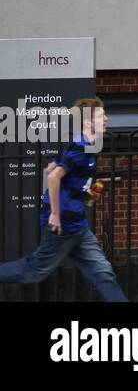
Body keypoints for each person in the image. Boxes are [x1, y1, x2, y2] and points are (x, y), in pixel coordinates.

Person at [0, 96, 127, 301]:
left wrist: (88, 193)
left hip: (78, 225)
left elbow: (53, 168)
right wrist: (55, 215)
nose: (106, 119)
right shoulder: (79, 148)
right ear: (88, 122)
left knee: (103, 273)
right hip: (64, 225)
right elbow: (53, 176)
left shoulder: (88, 146)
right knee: (34, 271)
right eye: (101, 116)